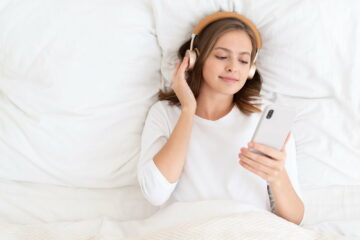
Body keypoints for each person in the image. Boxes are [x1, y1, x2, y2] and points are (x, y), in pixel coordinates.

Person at [137, 11, 304, 225]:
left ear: (251, 69)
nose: (233, 67)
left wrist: (277, 176)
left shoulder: (262, 116)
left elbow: (295, 219)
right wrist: (188, 109)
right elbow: (154, 193)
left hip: (251, 229)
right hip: (189, 229)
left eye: (243, 60)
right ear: (195, 59)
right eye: (222, 56)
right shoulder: (165, 113)